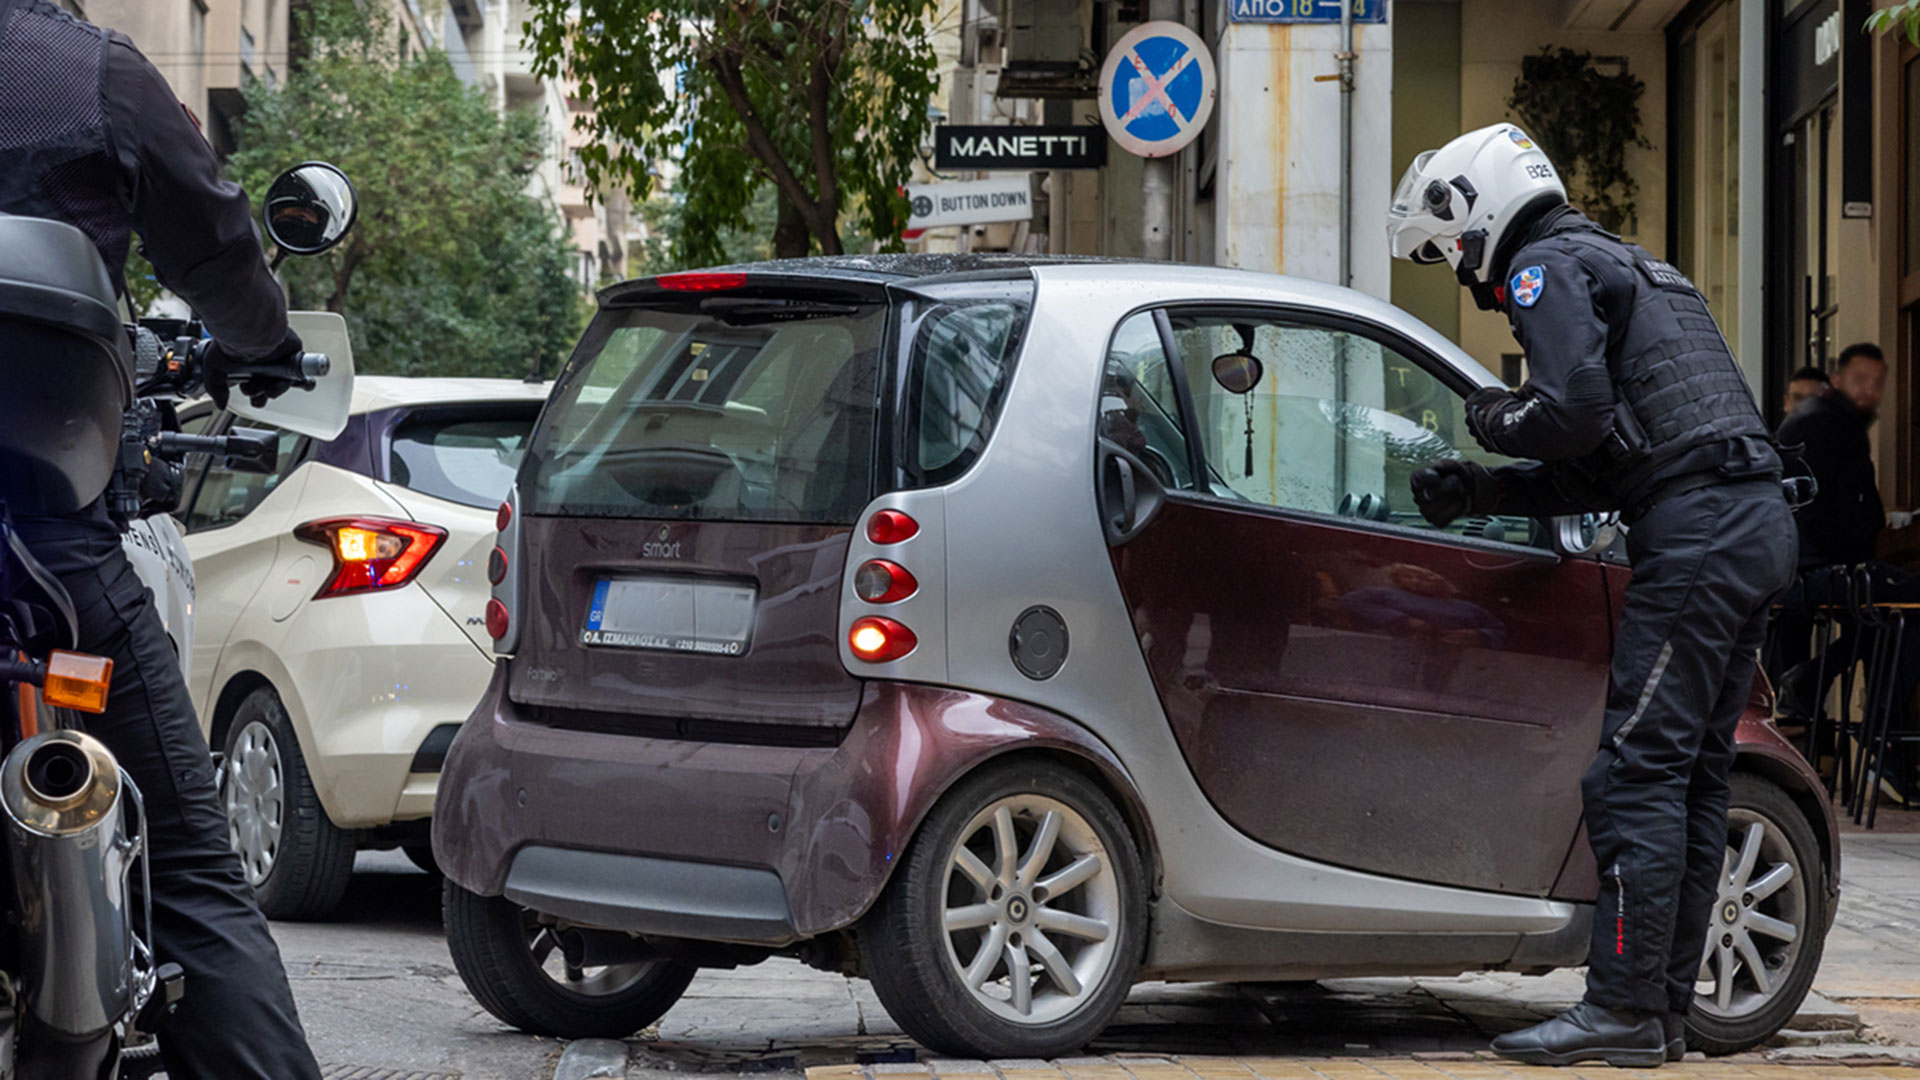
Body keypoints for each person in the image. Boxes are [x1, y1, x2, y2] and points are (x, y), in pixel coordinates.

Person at [1388, 123, 1796, 1067]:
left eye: (1451, 251)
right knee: (1690, 776)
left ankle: (1617, 1009)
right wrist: (1488, 492)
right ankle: (1656, 1014)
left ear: (1477, 211)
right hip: (1752, 521)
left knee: (1633, 775)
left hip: (1700, 533)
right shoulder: (1637, 269)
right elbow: (1611, 457)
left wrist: (1488, 415)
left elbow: (1567, 413)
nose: (1467, 277)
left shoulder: (1544, 268)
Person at [0, 1, 323, 1077]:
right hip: (50, 555)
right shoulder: (91, 72)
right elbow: (224, 245)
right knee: (188, 865)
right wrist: (266, 345)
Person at [1773, 343, 1920, 799]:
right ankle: (1884, 753)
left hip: (1792, 572)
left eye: (1878, 383)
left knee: (1883, 620)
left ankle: (1819, 681)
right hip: (1821, 571)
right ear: (1837, 381)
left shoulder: (1813, 420)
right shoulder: (1834, 426)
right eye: (1861, 380)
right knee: (1908, 607)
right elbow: (1858, 516)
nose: (1870, 391)